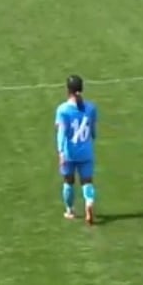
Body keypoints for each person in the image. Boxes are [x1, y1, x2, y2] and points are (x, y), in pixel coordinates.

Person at [56, 75, 98, 225]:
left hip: (69, 153)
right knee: (87, 181)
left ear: (68, 90)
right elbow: (93, 130)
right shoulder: (91, 108)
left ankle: (70, 210)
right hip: (86, 151)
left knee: (68, 181)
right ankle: (89, 202)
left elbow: (61, 132)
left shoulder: (63, 110)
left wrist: (60, 152)